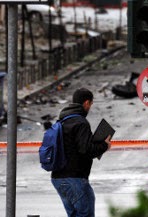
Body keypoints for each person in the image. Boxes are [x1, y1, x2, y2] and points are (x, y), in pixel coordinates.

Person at [51, 87, 111, 217]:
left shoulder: (62, 120)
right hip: (75, 178)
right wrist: (104, 146)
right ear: (86, 103)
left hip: (58, 178)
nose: (90, 107)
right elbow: (86, 150)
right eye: (91, 104)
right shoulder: (81, 122)